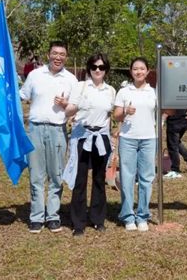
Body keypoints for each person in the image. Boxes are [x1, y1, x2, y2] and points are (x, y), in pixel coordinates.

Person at [20, 41, 77, 234]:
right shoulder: (35, 75)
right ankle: (36, 217)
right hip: (35, 129)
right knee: (36, 174)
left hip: (58, 130)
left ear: (66, 57)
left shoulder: (71, 79)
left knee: (56, 175)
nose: (58, 57)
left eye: (62, 54)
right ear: (48, 55)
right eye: (55, 53)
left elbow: (74, 108)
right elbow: (21, 95)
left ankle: (53, 216)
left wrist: (66, 104)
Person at [64, 53, 115, 236]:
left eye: (101, 67)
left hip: (101, 137)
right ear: (89, 69)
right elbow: (69, 109)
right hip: (82, 136)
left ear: (106, 69)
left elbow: (111, 115)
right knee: (80, 179)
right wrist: (72, 107)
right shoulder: (81, 87)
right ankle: (78, 222)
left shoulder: (110, 90)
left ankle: (97, 219)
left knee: (99, 179)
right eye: (94, 67)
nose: (97, 70)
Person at [114, 57, 158, 232]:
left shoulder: (154, 92)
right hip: (128, 139)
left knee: (147, 178)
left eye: (142, 68)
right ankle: (127, 215)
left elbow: (166, 111)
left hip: (149, 139)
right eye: (135, 69)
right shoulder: (124, 91)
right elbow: (116, 115)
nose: (139, 72)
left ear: (148, 71)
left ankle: (143, 215)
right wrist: (125, 111)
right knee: (127, 177)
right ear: (131, 71)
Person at [163, 109, 187, 179]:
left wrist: (162, 120)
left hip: (174, 123)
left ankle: (175, 170)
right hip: (184, 121)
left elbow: (167, 109)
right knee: (176, 142)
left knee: (172, 146)